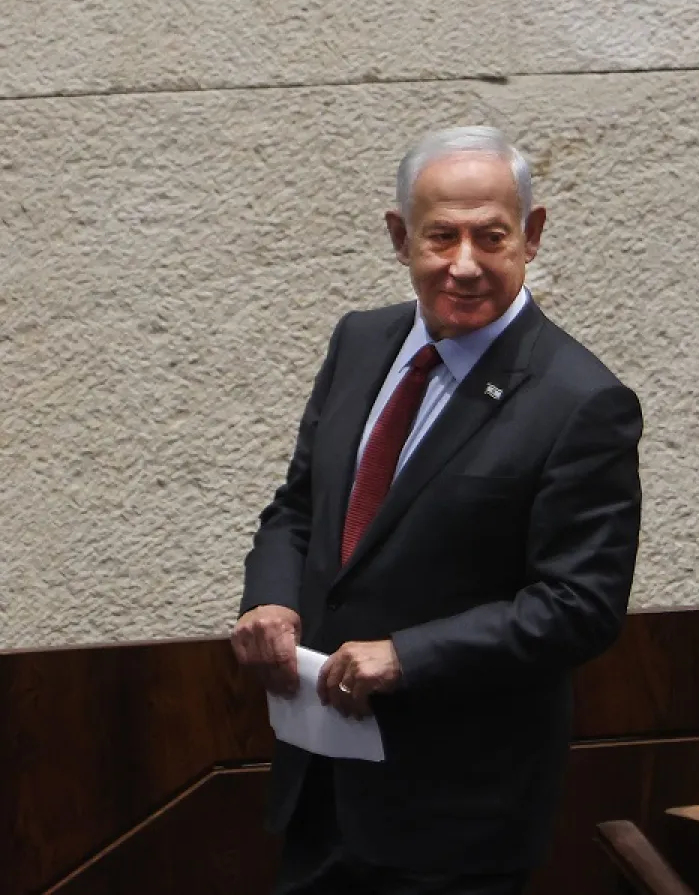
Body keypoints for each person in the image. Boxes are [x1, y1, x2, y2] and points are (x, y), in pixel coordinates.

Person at [231, 125, 643, 894]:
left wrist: (409, 654)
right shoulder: (360, 341)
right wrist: (271, 598)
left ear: (532, 233)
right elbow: (298, 507)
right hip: (320, 790)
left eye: (491, 236)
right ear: (399, 237)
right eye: (440, 237)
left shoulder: (582, 401)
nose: (464, 264)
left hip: (455, 821)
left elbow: (580, 605)